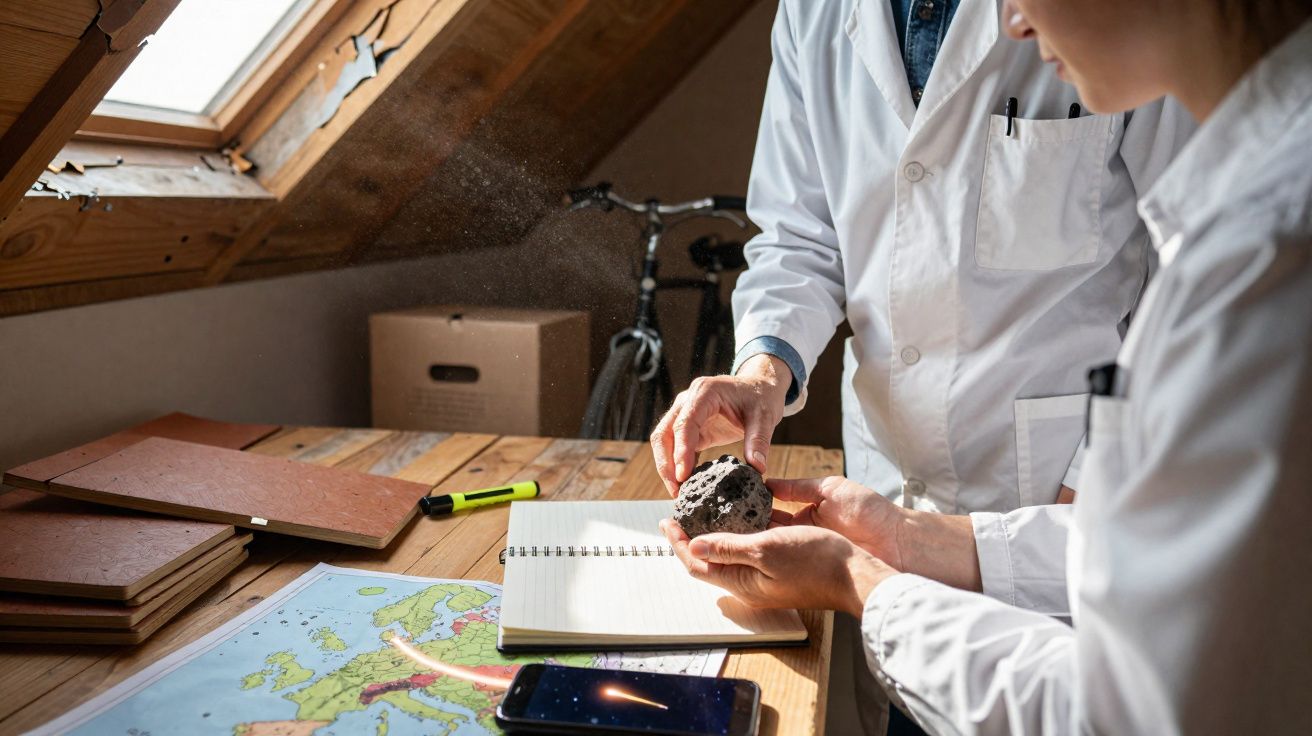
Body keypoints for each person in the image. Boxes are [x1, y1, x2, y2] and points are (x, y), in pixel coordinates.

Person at [661, 0, 1312, 732]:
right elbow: (798, 233)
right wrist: (897, 538)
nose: (1015, 23)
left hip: (1049, 500)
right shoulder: (1257, 202)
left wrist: (857, 581)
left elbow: (1119, 710)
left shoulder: (1267, 259)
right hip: (923, 511)